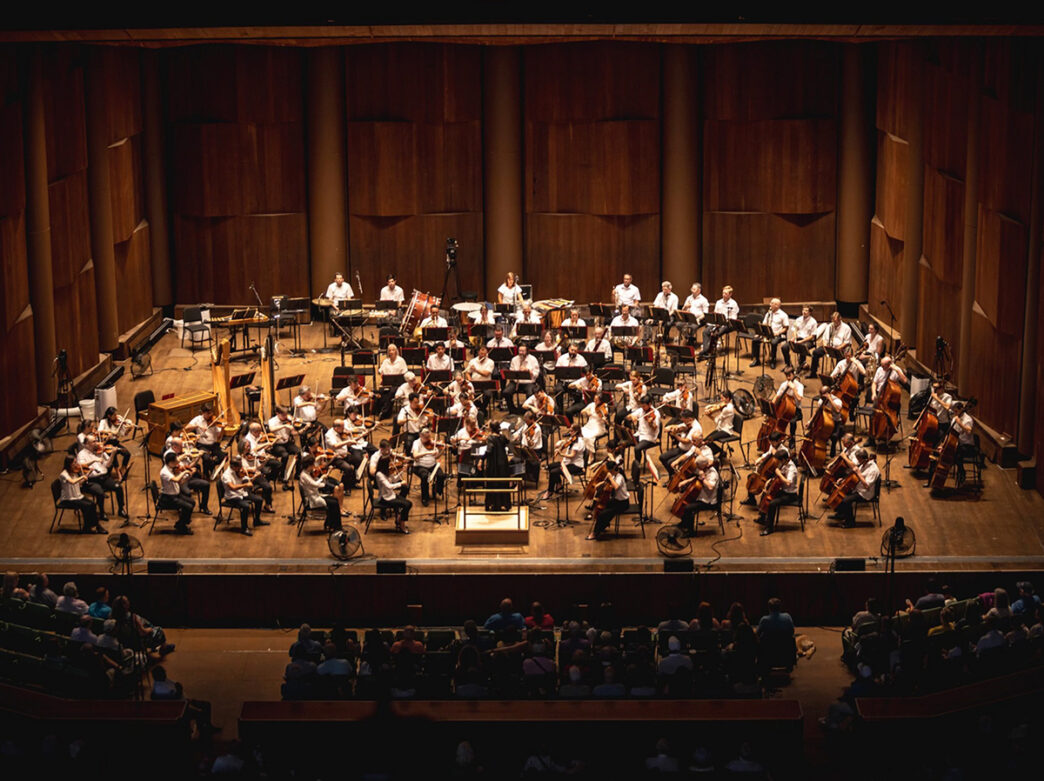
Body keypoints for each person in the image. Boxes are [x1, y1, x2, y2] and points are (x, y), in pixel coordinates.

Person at [76, 435, 128, 520]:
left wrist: (113, 454)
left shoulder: (100, 451)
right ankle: (102, 513)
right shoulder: (81, 455)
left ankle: (121, 509)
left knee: (118, 487)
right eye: (94, 441)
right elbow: (81, 466)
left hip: (104, 477)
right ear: (86, 444)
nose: (97, 443)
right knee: (100, 492)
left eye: (96, 440)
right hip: (91, 480)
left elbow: (108, 465)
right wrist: (94, 460)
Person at [753, 447, 799, 536]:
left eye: (779, 461)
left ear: (784, 459)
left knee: (772, 503)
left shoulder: (792, 469)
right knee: (765, 493)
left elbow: (788, 482)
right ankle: (762, 517)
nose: (778, 463)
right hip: (783, 490)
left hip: (790, 494)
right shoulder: (784, 464)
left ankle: (769, 528)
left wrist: (779, 474)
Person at [829, 450, 880, 528]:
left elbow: (867, 486)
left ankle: (850, 522)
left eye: (858, 459)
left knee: (845, 500)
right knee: (841, 493)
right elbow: (853, 475)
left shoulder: (873, 470)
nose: (858, 461)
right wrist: (843, 479)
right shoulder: (864, 463)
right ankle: (841, 514)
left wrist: (858, 473)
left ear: (862, 458)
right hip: (857, 489)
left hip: (865, 493)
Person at [221, 457, 267, 536]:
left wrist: (254, 476)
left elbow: (248, 479)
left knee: (259, 500)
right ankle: (244, 528)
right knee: (246, 506)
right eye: (240, 466)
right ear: (234, 467)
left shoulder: (238, 471)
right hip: (232, 497)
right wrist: (245, 484)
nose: (242, 468)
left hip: (241, 493)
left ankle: (257, 520)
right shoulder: (226, 475)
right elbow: (233, 487)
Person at [58, 456, 104, 533]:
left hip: (77, 496)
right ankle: (89, 527)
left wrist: (87, 474)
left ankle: (92, 526)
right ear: (69, 464)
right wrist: (82, 476)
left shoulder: (74, 472)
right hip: (69, 499)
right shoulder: (64, 474)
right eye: (74, 462)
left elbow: (79, 484)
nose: (77, 464)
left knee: (92, 504)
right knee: (87, 506)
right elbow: (72, 482)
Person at [298, 454, 344, 531]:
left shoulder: (306, 472)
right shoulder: (304, 475)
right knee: (334, 503)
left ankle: (330, 524)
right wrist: (322, 479)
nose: (313, 466)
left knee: (335, 500)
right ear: (309, 465)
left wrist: (322, 482)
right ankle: (337, 527)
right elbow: (315, 484)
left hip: (315, 495)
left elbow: (313, 482)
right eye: (312, 465)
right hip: (313, 499)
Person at [587, 460, 628, 541]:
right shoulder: (613, 476)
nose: (607, 472)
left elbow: (616, 487)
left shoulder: (620, 477)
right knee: (603, 510)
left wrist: (609, 477)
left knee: (602, 514)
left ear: (612, 470)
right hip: (616, 501)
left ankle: (595, 533)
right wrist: (598, 485)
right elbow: (605, 483)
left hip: (622, 503)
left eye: (608, 471)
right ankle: (603, 526)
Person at [676, 464, 720, 537]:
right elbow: (696, 477)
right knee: (686, 502)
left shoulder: (713, 474)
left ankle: (690, 532)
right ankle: (684, 524)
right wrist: (686, 481)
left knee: (688, 508)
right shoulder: (703, 470)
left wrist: (703, 478)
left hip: (708, 501)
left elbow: (710, 487)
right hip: (701, 497)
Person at [374, 453, 412, 533]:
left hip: (391, 495)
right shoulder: (379, 474)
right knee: (407, 504)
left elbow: (394, 479)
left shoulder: (387, 471)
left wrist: (402, 472)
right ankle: (401, 524)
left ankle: (399, 519)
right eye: (389, 462)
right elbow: (389, 486)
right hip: (385, 498)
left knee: (408, 503)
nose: (391, 464)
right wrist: (400, 484)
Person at [699, 285, 740, 355]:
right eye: (723, 293)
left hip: (728, 324)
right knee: (705, 332)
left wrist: (725, 321)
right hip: (718, 322)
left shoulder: (733, 304)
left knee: (716, 334)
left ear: (730, 294)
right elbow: (715, 313)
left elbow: (733, 318)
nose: (724, 295)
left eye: (726, 294)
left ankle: (710, 351)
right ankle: (706, 350)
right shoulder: (718, 302)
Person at [810, 311, 853, 377]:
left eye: (836, 321)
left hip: (840, 348)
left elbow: (847, 342)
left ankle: (838, 376)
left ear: (840, 319)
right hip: (829, 347)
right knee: (815, 352)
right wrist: (825, 346)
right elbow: (825, 338)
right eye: (833, 321)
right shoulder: (830, 326)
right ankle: (813, 373)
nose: (834, 323)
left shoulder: (846, 328)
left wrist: (837, 348)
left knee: (840, 356)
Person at [750, 298, 789, 367]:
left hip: (777, 334)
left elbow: (786, 328)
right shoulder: (768, 313)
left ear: (776, 305)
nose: (770, 304)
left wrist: (778, 333)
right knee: (755, 340)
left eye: (771, 303)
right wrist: (759, 333)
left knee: (773, 342)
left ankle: (772, 360)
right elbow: (764, 324)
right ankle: (757, 360)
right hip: (767, 333)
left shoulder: (783, 315)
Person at [411, 428, 446, 506]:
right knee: (425, 476)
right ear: (420, 436)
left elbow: (436, 457)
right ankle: (425, 498)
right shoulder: (416, 443)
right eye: (426, 438)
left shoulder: (432, 443)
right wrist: (428, 452)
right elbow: (415, 455)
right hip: (420, 466)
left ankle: (436, 489)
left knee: (441, 475)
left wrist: (442, 450)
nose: (428, 439)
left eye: (429, 437)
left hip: (432, 465)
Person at [503, 344, 540, 414]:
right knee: (506, 392)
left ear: (527, 351)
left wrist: (528, 371)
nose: (521, 353)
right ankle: (512, 410)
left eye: (523, 351)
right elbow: (511, 372)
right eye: (519, 351)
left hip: (529, 382)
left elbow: (536, 374)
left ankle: (527, 411)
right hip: (516, 382)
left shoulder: (533, 359)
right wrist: (516, 373)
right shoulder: (514, 359)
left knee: (530, 393)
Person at [773, 365, 804, 448]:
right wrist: (772, 405)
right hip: (785, 408)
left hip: (796, 410)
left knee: (792, 422)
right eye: (786, 376)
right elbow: (777, 396)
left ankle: (792, 439)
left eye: (789, 375)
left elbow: (799, 398)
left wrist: (794, 389)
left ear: (793, 374)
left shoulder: (799, 386)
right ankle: (776, 439)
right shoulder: (784, 385)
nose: (788, 378)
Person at [781, 305, 818, 372]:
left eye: (806, 310)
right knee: (784, 347)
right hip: (798, 338)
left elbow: (812, 336)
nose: (804, 312)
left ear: (810, 312)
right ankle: (788, 364)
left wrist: (802, 341)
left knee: (802, 347)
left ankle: (801, 364)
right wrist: (794, 338)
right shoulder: (798, 319)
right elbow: (795, 329)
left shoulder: (813, 322)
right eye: (803, 310)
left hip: (808, 340)